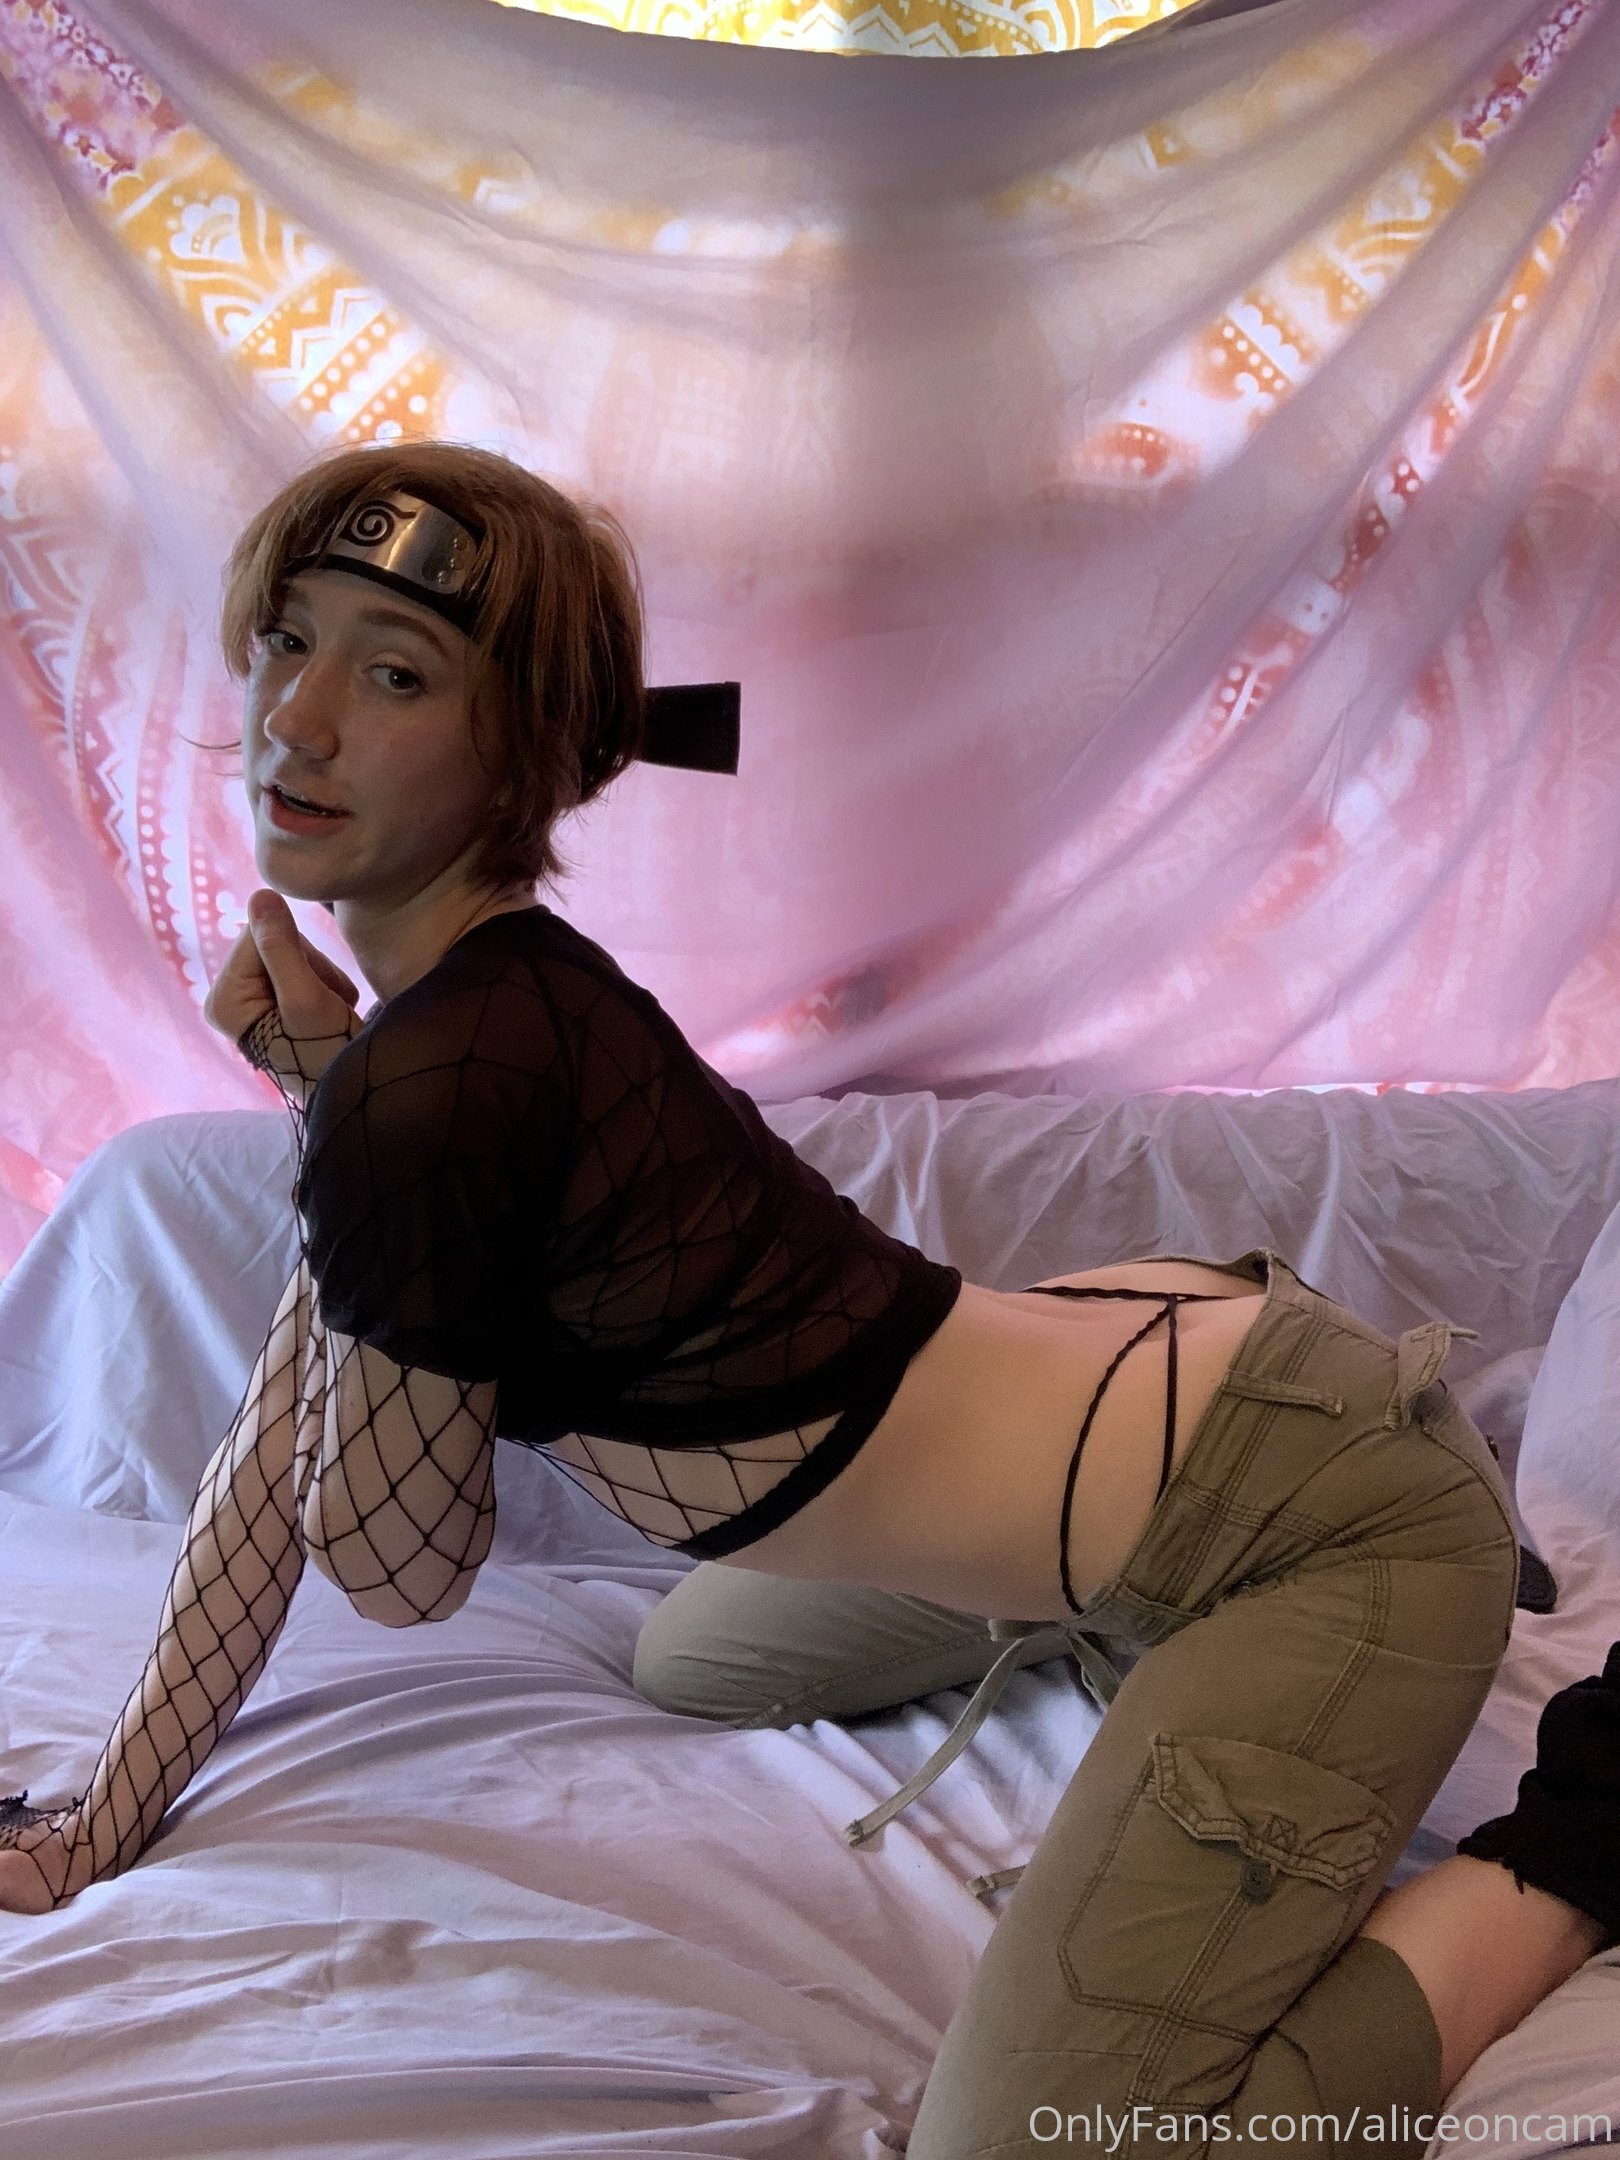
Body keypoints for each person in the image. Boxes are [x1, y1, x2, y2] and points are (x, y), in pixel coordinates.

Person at [1, 441, 1614, 2160]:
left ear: (518, 748)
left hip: (1317, 1511)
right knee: (698, 1658)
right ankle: (1128, 1585)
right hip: (1161, 1370)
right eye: (286, 641)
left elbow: (395, 1567)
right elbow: (276, 1443)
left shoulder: (437, 1087)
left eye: (394, 674)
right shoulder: (466, 1033)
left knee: (1037, 2145)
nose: (297, 718)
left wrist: (338, 1135)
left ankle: (1579, 1848)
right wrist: (99, 1816)